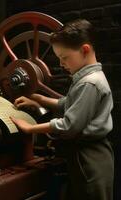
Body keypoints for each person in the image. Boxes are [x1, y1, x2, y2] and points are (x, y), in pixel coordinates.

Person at [10, 19, 114, 200]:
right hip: (92, 155)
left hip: (89, 158)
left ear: (85, 50)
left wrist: (29, 128)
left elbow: (69, 125)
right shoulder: (88, 77)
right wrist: (39, 100)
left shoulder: (89, 83)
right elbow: (69, 104)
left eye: (64, 57)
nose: (61, 63)